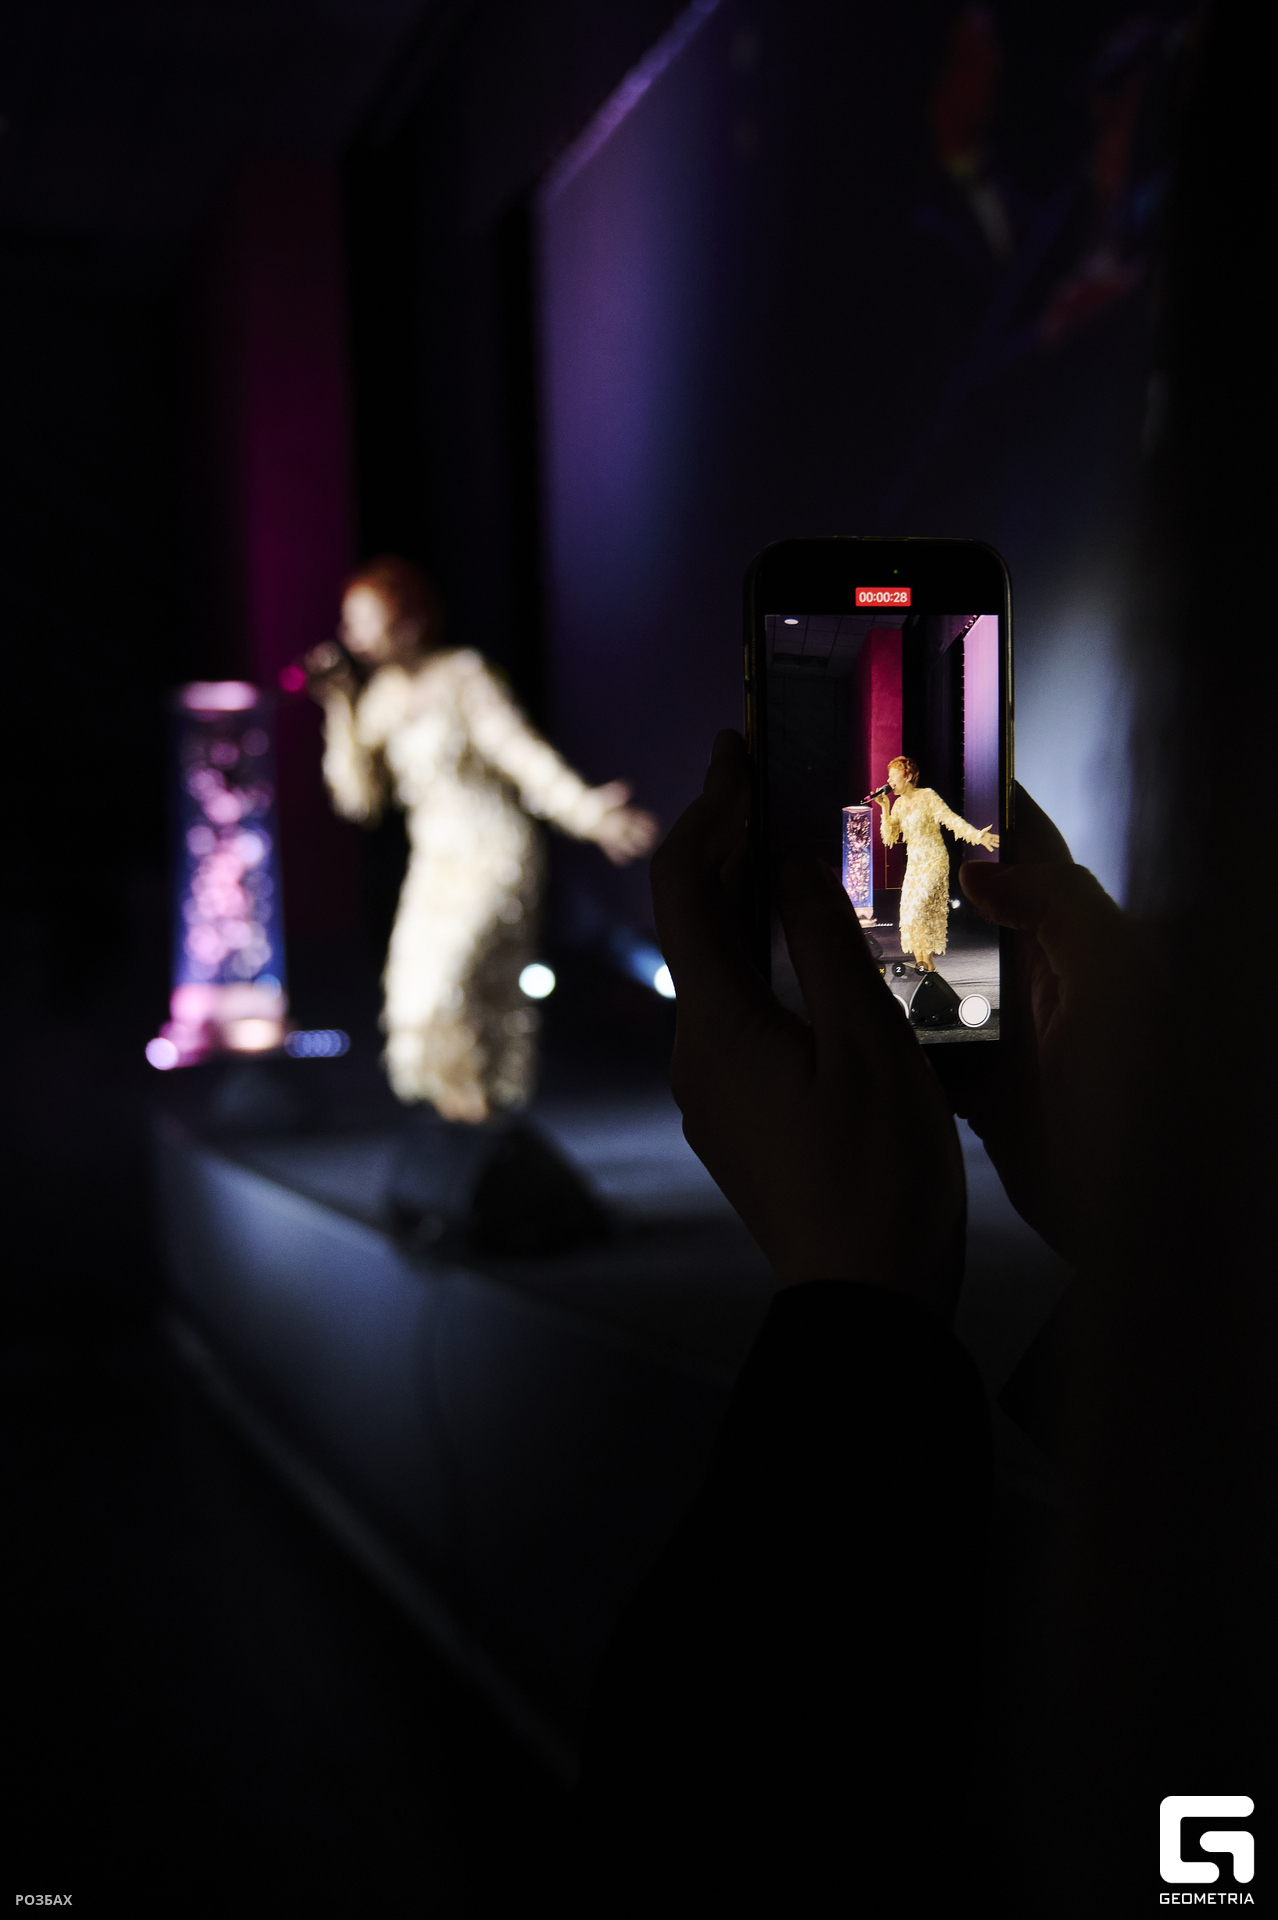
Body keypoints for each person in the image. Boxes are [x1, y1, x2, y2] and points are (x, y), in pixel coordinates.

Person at [308, 558, 657, 1121]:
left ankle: (480, 1130)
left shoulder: (462, 676)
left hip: (492, 852)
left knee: (453, 984)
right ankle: (471, 1126)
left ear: (407, 619)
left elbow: (520, 754)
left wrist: (587, 812)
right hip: (434, 864)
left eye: (365, 619)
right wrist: (339, 709)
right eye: (350, 622)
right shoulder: (379, 699)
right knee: (413, 997)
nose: (353, 636)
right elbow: (359, 801)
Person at [875, 754, 998, 972]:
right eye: (889, 777)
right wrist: (885, 808)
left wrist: (977, 836)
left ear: (908, 776)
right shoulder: (898, 804)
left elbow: (951, 819)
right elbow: (890, 836)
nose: (889, 781)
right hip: (914, 866)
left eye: (893, 776)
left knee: (919, 910)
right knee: (909, 917)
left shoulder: (927, 796)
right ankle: (924, 967)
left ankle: (928, 965)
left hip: (934, 861)